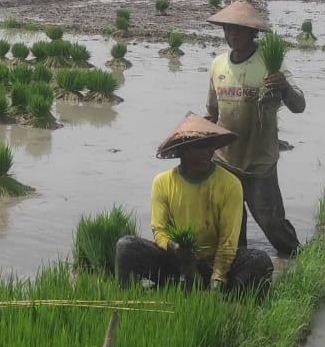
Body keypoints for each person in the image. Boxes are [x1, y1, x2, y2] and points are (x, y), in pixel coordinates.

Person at [114, 113, 274, 294]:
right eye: (202, 146)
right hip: (176, 261)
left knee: (260, 261)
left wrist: (217, 280)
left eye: (211, 145)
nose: (210, 152)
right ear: (184, 150)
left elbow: (228, 242)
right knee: (125, 247)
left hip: (212, 261)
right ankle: (128, 299)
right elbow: (159, 231)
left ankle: (218, 291)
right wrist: (174, 247)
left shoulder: (230, 184)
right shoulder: (163, 182)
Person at [205, 0, 305, 257]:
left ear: (253, 32)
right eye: (228, 28)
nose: (232, 34)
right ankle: (240, 273)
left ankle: (296, 259)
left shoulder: (270, 65)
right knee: (232, 226)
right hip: (225, 161)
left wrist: (283, 87)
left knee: (272, 223)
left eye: (238, 28)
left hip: (259, 161)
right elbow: (212, 114)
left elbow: (299, 106)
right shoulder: (218, 65)